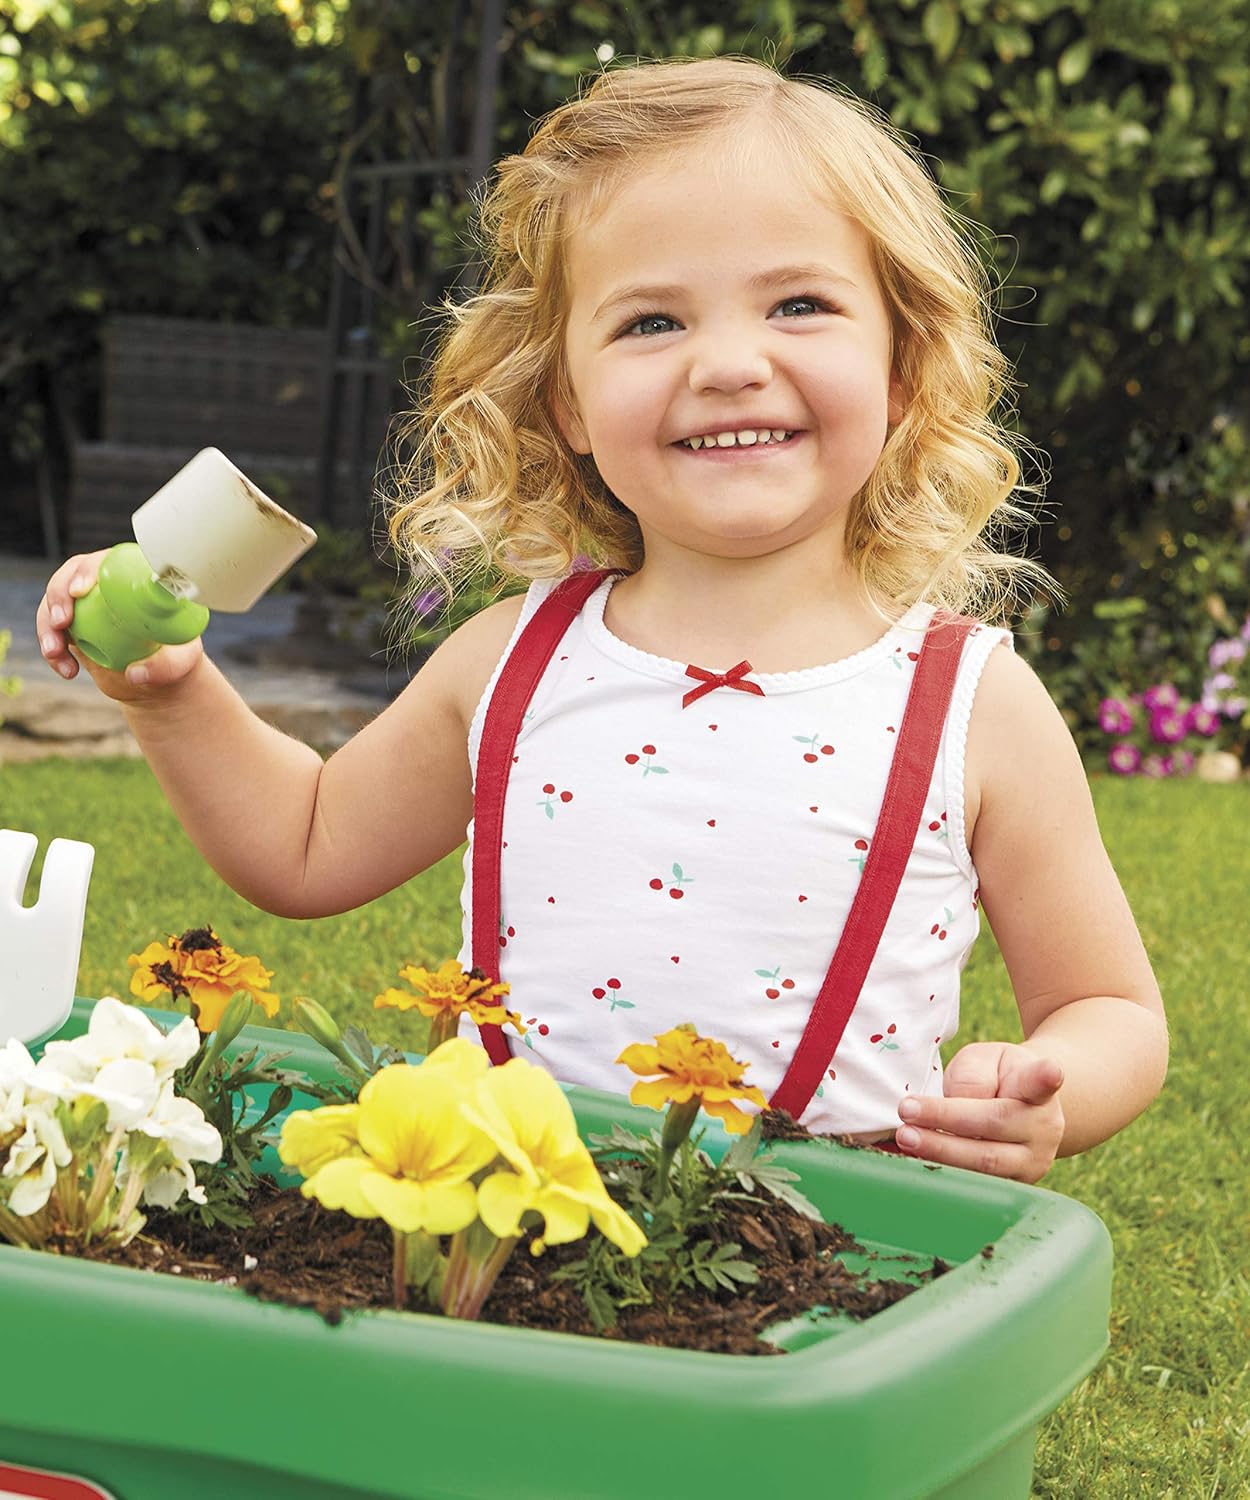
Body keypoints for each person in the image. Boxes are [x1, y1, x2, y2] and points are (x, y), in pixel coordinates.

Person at [36, 56, 1167, 1183]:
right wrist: (174, 692)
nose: (727, 364)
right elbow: (305, 847)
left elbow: (1101, 1003)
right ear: (568, 403)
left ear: (903, 369)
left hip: (827, 1249)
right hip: (500, 1211)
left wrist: (1046, 1091)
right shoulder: (515, 662)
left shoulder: (970, 704)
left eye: (799, 305)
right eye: (650, 322)